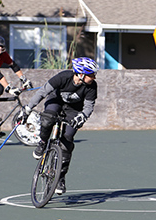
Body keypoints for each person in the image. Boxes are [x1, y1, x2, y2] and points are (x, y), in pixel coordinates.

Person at [23, 57, 99, 195]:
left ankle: (60, 177)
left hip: (73, 110)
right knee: (47, 120)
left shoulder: (92, 86)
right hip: (55, 101)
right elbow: (43, 92)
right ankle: (42, 142)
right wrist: (28, 108)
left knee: (67, 140)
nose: (94, 77)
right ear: (81, 74)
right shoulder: (64, 77)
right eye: (91, 74)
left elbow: (89, 106)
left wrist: (82, 117)